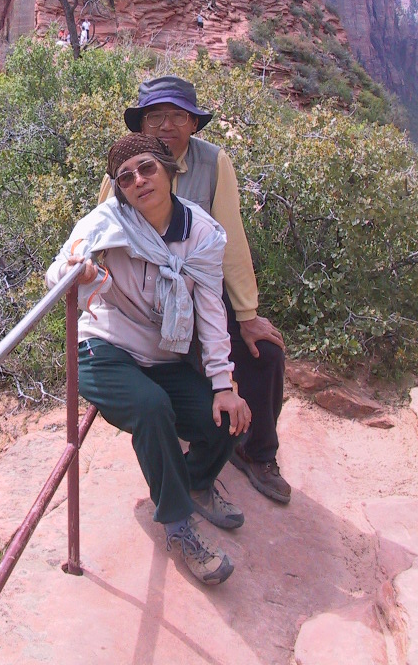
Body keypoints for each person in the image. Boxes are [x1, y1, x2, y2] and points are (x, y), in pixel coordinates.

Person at [47, 134, 251, 585]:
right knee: (151, 407)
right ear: (119, 189)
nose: (138, 180)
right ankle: (178, 524)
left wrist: (223, 384)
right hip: (104, 349)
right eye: (125, 177)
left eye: (146, 168)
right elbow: (58, 270)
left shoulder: (201, 232)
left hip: (161, 355)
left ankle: (192, 482)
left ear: (168, 170)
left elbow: (211, 310)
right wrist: (77, 271)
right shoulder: (107, 221)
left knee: (224, 418)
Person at [100, 77, 290, 503]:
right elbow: (101, 233)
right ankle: (199, 435)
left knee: (264, 353)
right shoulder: (127, 167)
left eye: (178, 115)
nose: (166, 125)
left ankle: (257, 452)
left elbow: (231, 240)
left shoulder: (213, 162)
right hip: (145, 301)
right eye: (155, 117)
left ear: (193, 123)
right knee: (172, 364)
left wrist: (247, 315)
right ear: (142, 125)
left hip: (201, 290)